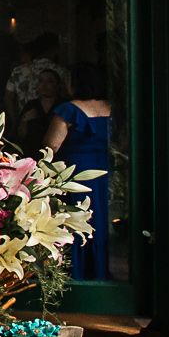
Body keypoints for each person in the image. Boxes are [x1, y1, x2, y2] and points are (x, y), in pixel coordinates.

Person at [45, 60, 112, 280]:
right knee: (98, 219)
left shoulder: (68, 110)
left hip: (75, 173)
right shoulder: (109, 109)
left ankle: (76, 272)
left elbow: (51, 147)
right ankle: (98, 270)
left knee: (74, 219)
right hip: (102, 173)